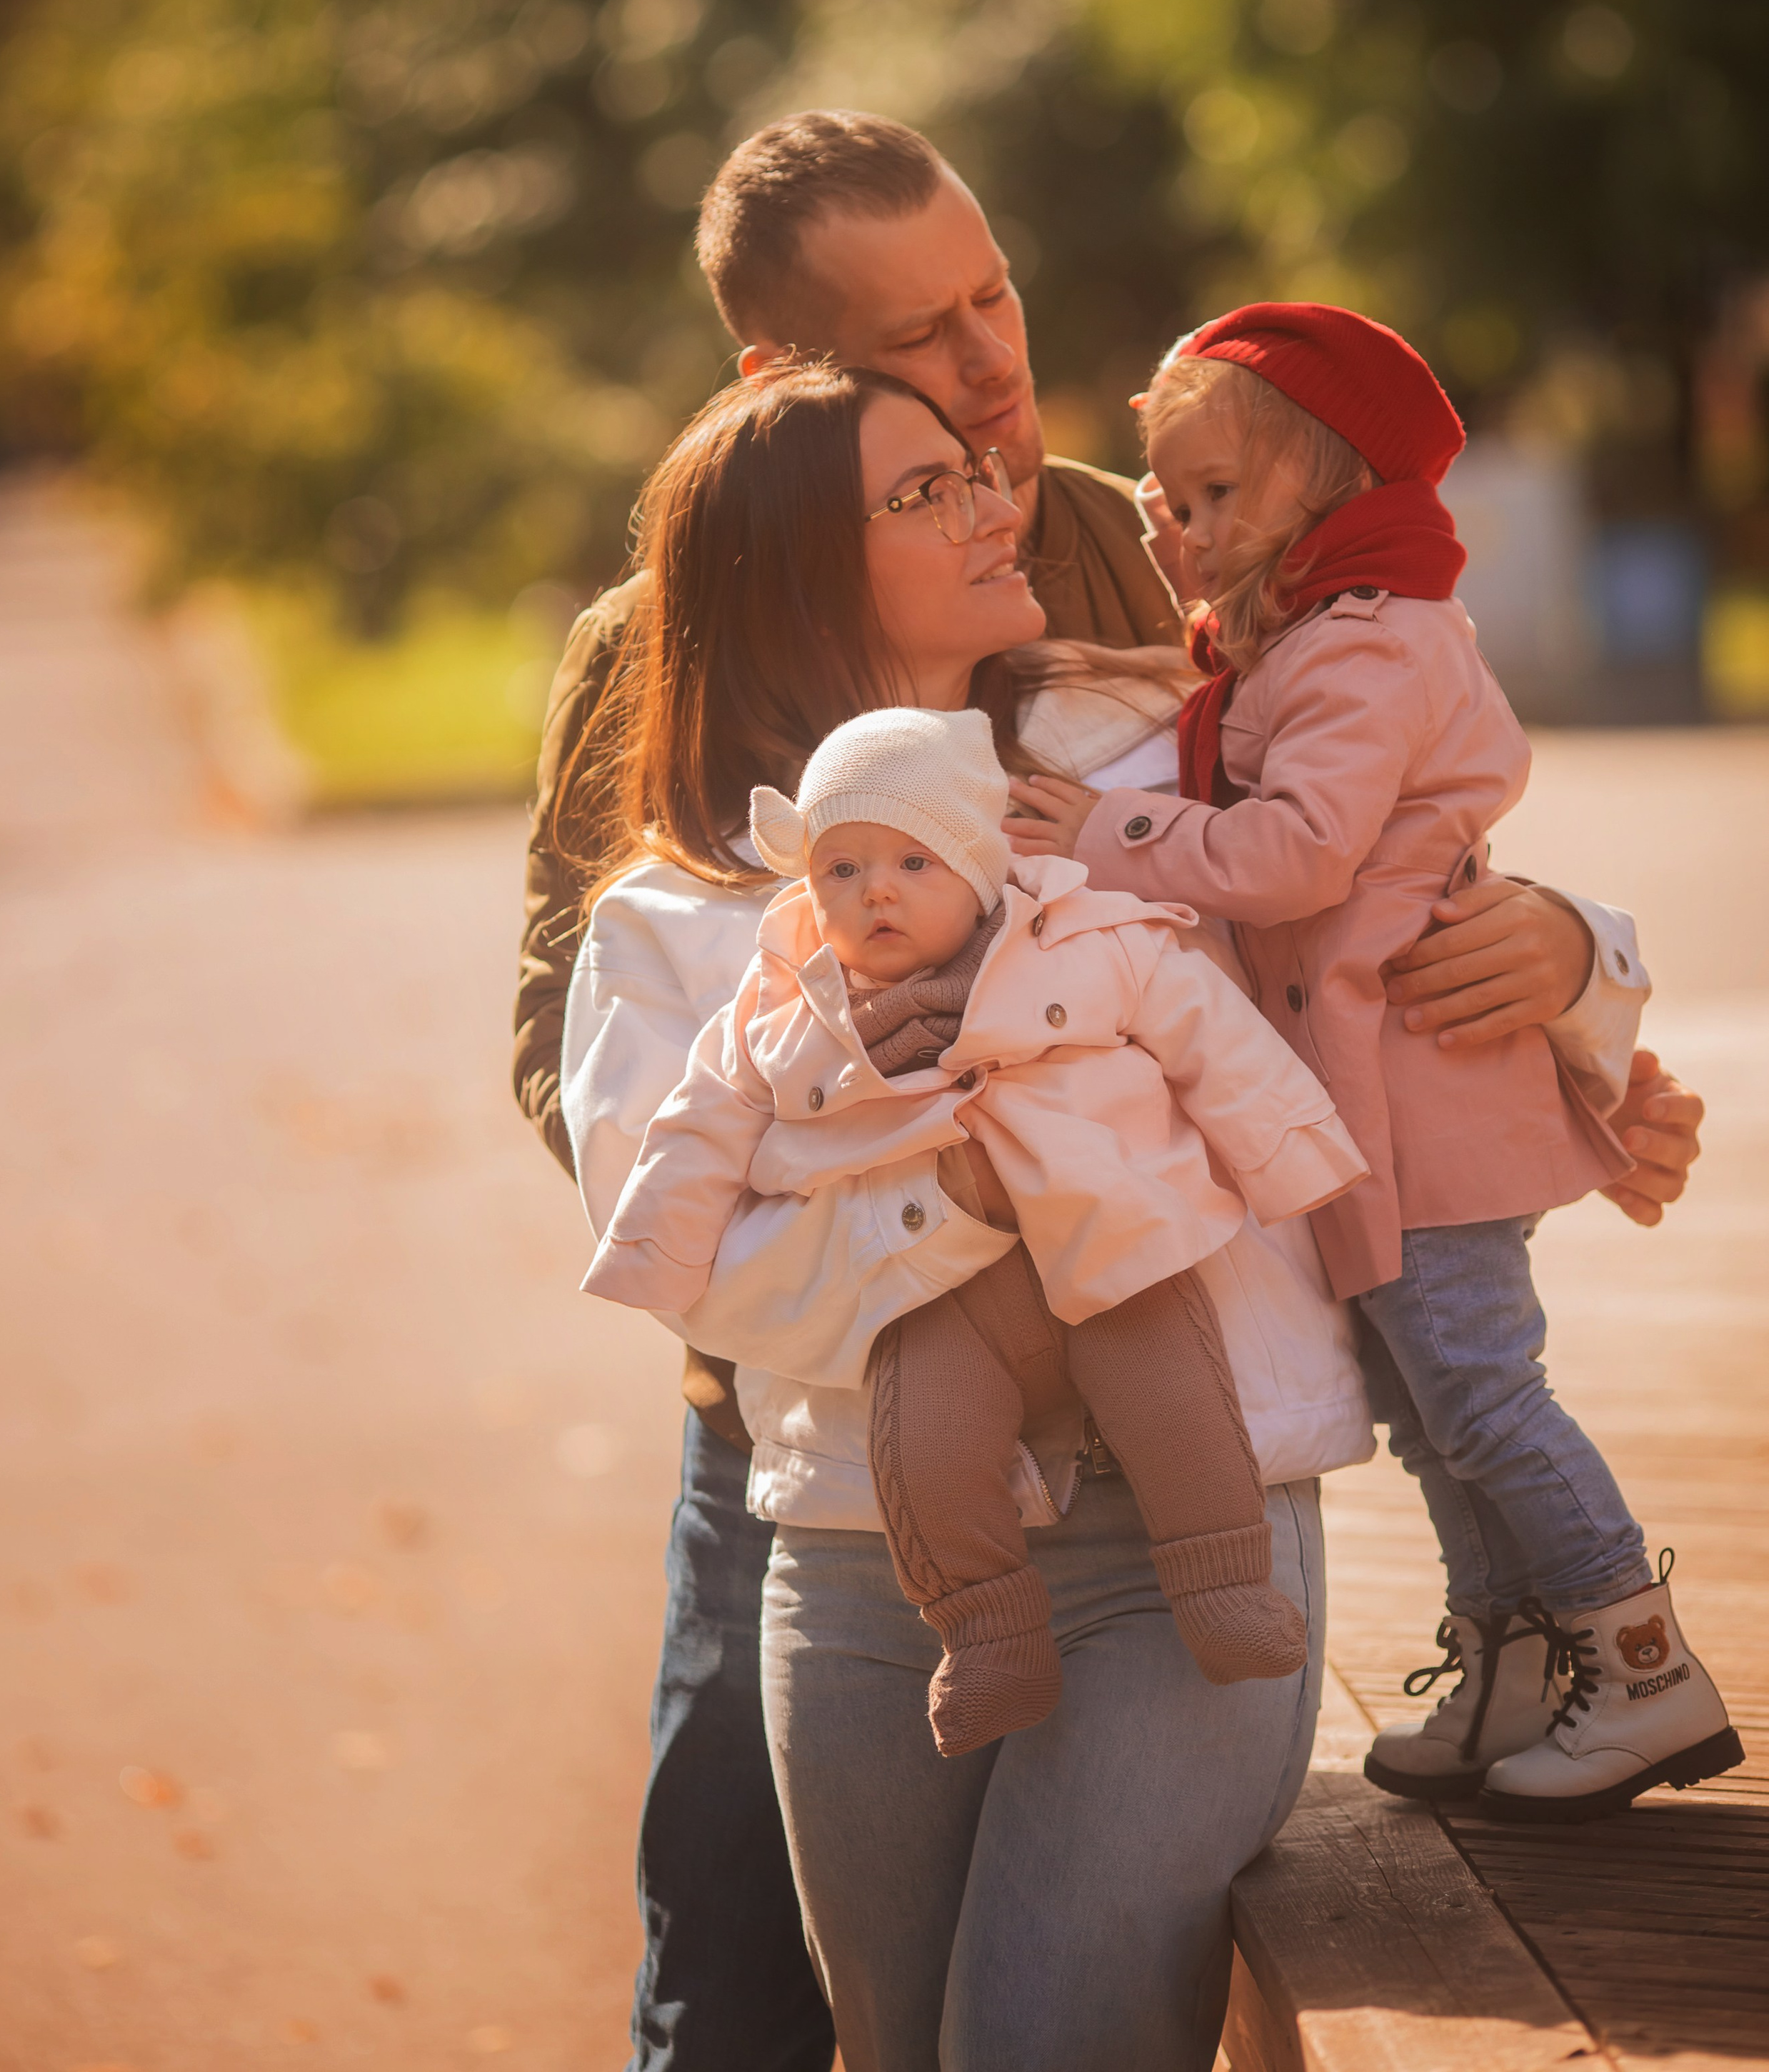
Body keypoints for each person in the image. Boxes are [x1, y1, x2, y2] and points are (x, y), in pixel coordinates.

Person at [513, 110, 1705, 2069]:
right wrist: (954, 1185)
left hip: (1191, 1474)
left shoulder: (1125, 598)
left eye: (997, 294)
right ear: (788, 401)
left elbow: (1352, 855)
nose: (992, 380)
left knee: (1052, 2016)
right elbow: (594, 1092)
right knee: (742, 1986)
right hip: (811, 1449)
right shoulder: (672, 668)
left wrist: (1584, 980)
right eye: (925, 348)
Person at [1005, 300, 1741, 1825]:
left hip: (1426, 1085)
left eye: (1217, 496)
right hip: (1369, 1104)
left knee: (1479, 1392)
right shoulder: (1299, 640)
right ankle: (1511, 1665)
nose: (1185, 529)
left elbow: (1295, 853)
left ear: (1334, 490)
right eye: (1171, 499)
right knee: (1422, 1408)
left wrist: (1105, 835)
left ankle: (1637, 1654)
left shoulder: (1372, 646)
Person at [586, 701, 1368, 1750]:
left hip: (1110, 1245)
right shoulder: (784, 1004)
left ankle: (1226, 1584)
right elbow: (700, 1124)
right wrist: (655, 1252)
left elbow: (1212, 1035)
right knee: (926, 1449)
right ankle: (989, 1635)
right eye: (843, 872)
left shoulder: (1087, 938)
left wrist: (1294, 1158)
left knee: (1178, 1400)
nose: (877, 895)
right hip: (938, 1287)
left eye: (914, 863)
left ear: (980, 864)